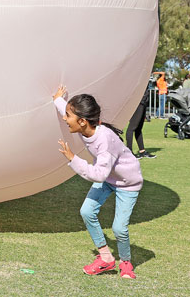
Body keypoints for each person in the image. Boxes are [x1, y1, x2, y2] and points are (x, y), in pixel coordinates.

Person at [52, 85, 142, 279]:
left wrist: (73, 159)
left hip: (127, 183)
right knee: (86, 211)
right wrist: (58, 100)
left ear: (83, 121)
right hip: (109, 177)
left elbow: (99, 174)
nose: (65, 118)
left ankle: (126, 262)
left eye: (68, 116)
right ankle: (106, 258)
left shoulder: (104, 141)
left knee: (118, 228)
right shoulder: (85, 127)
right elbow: (68, 113)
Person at [126, 86, 155, 159]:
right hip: (137, 102)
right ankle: (129, 152)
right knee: (132, 128)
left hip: (143, 102)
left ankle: (142, 151)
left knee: (138, 128)